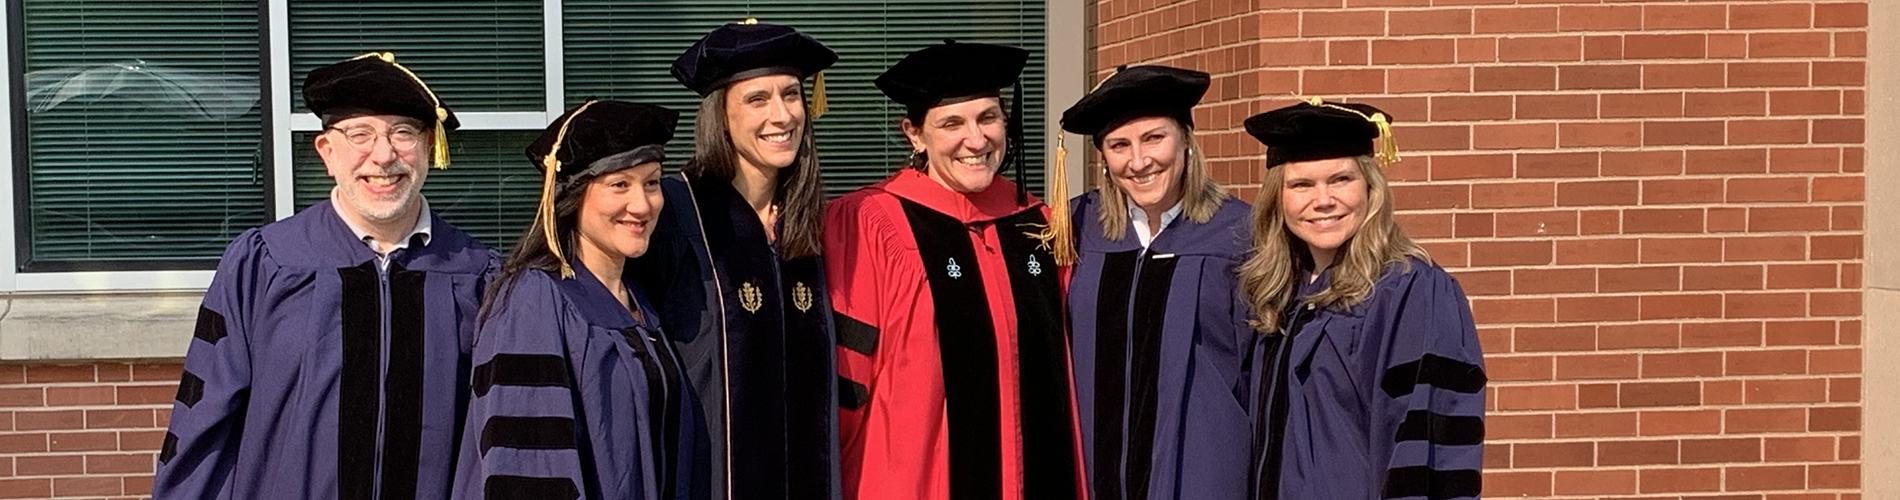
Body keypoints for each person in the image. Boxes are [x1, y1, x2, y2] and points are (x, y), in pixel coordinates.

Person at [153, 52, 499, 500]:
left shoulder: (480, 274)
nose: (383, 154)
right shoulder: (264, 263)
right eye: (360, 134)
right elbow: (205, 418)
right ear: (327, 152)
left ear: (428, 146)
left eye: (403, 132)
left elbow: (501, 433)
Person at [823, 40, 1086, 500]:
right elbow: (846, 382)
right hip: (911, 477)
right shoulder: (872, 223)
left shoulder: (1040, 223)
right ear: (915, 134)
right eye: (952, 123)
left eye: (988, 117)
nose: (977, 140)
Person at [628, 20, 841, 500]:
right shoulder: (675, 212)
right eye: (757, 99)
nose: (782, 115)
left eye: (791, 95)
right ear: (720, 115)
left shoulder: (809, 222)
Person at [1238, 100, 1486, 500]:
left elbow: (1430, 448)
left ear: (1371, 188)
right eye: (1302, 184)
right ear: (1277, 198)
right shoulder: (1278, 293)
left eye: (1340, 179)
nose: (1323, 200)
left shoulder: (1412, 291)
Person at [450, 100, 694, 500]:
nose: (642, 204)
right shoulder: (534, 298)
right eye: (620, 185)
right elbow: (528, 468)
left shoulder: (638, 300)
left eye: (651, 182)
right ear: (572, 196)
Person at [1059, 65, 1254, 500]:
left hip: (1205, 472)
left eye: (1154, 138)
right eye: (1119, 145)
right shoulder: (1072, 228)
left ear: (1186, 140)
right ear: (1103, 158)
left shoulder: (1243, 234)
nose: (1139, 161)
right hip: (1090, 470)